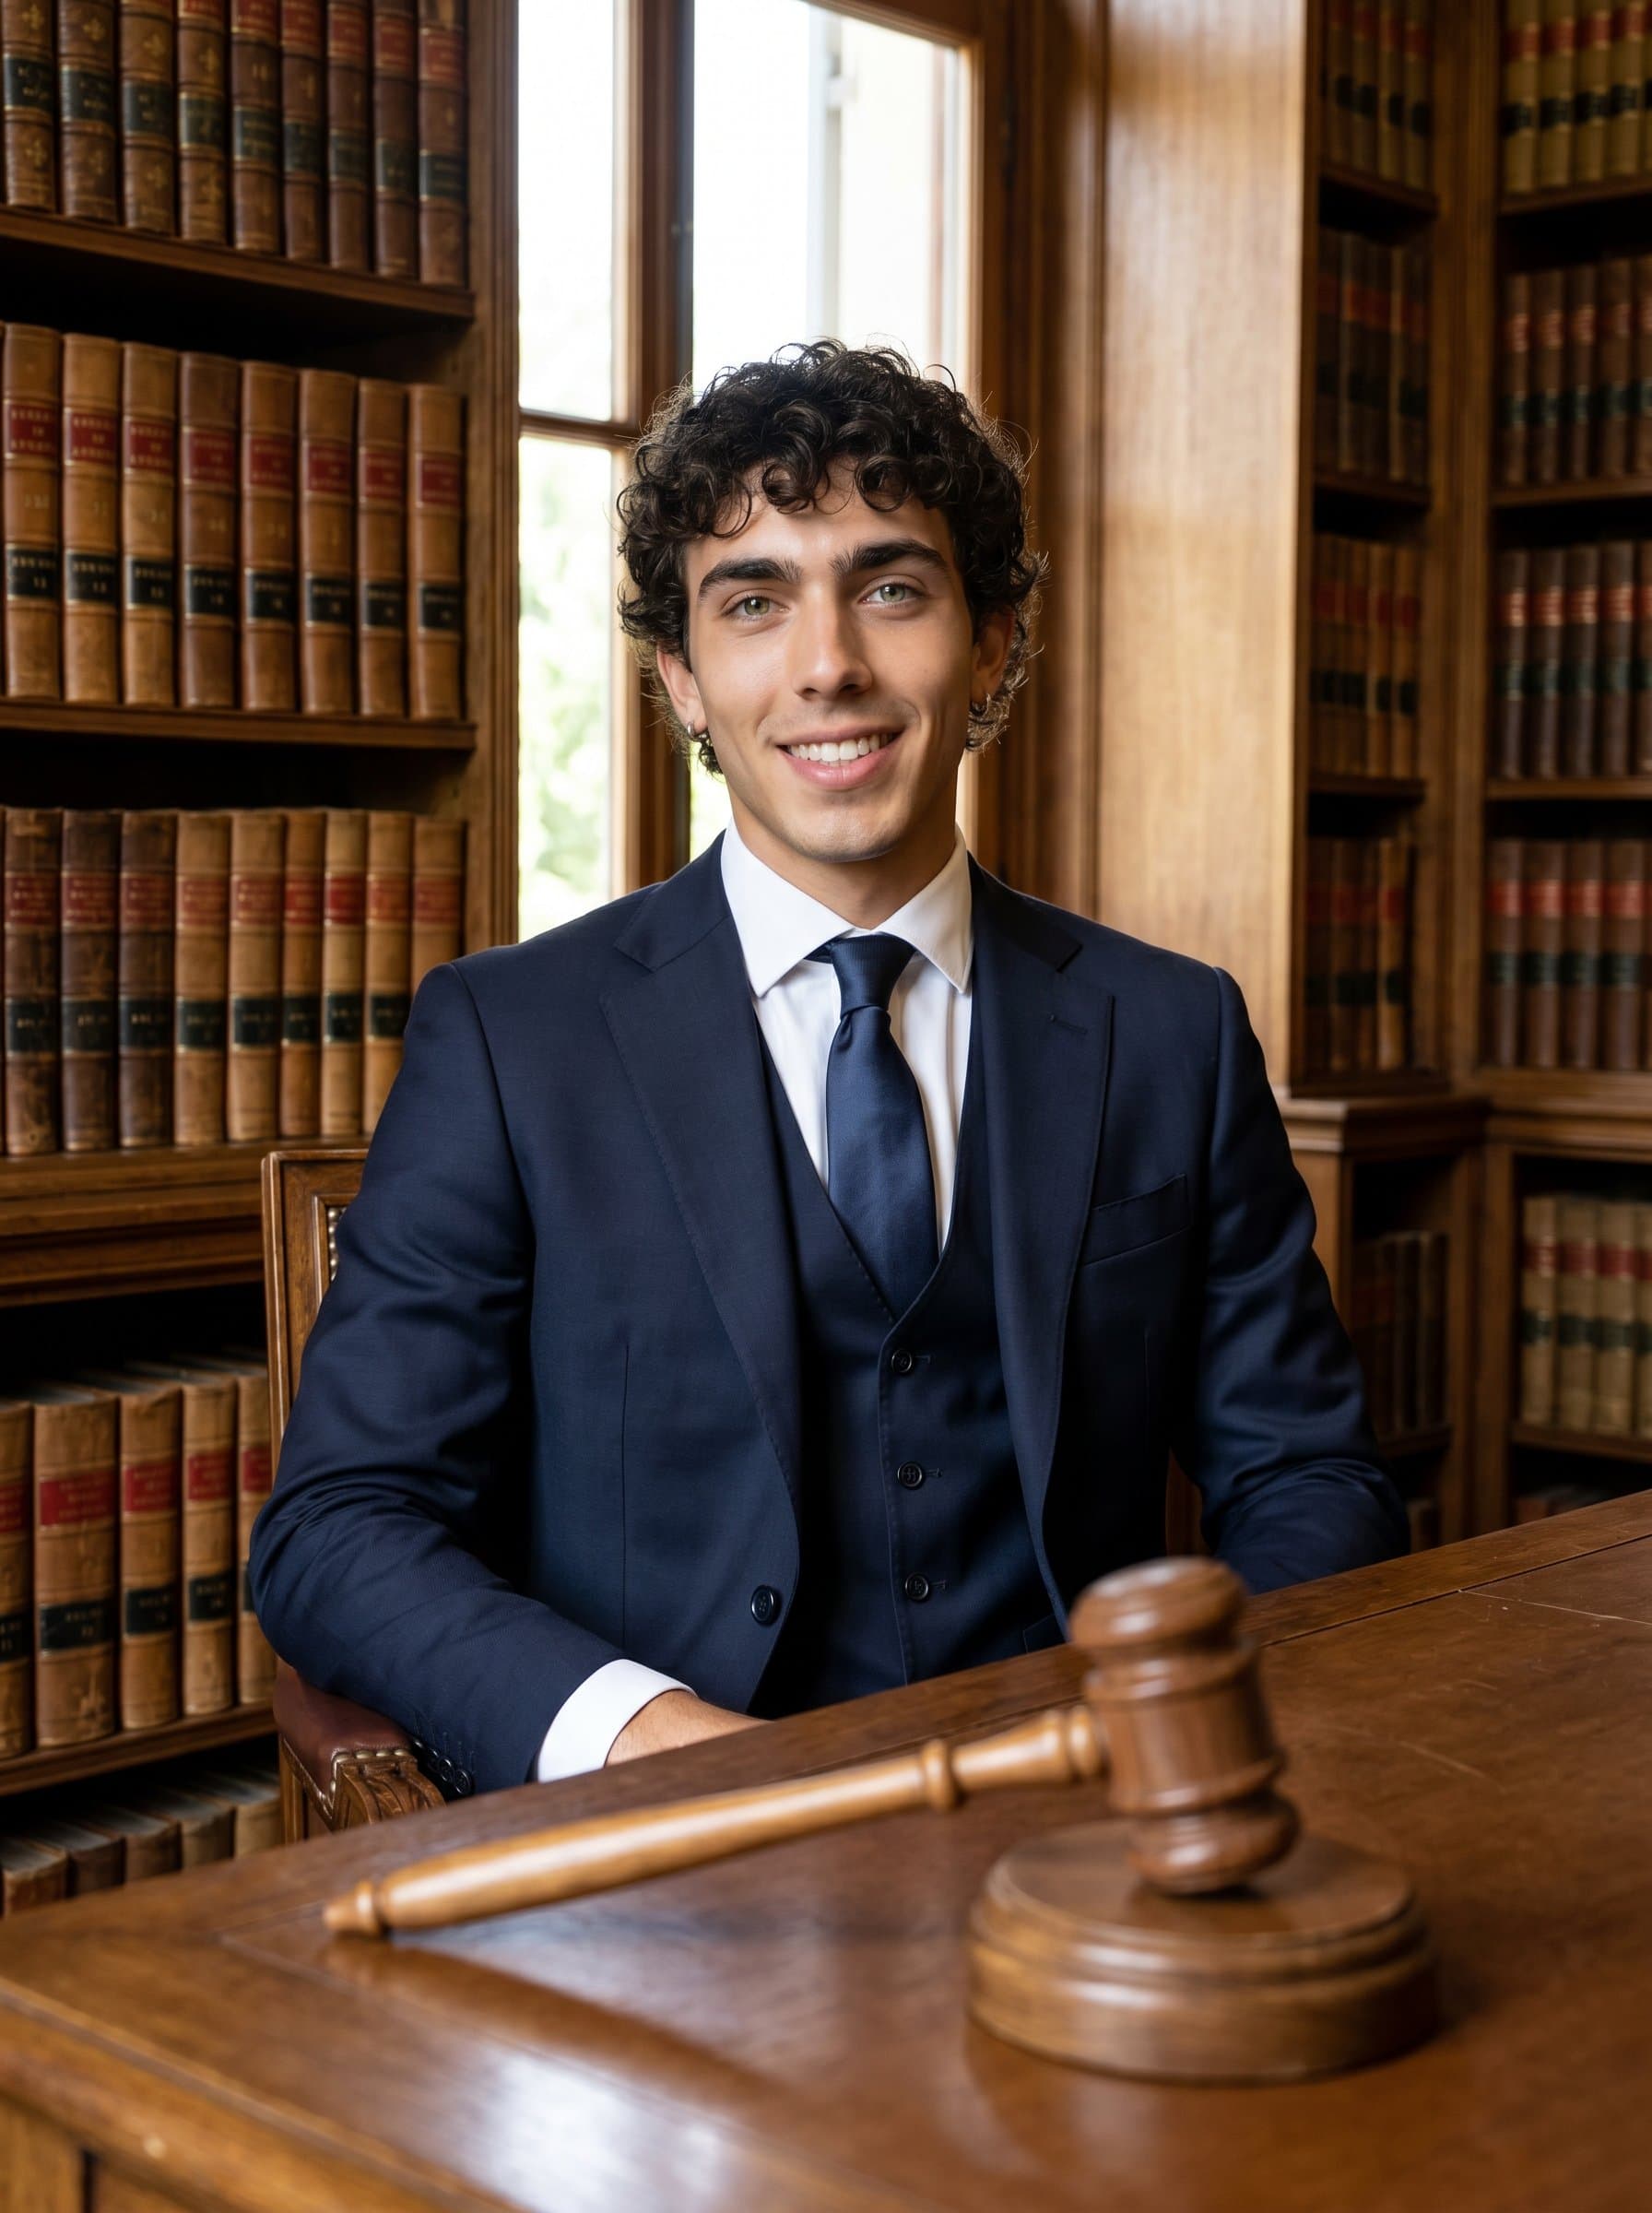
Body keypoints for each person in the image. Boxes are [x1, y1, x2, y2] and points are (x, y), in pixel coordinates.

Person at [249, 341, 1405, 1799]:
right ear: (681, 679)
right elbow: (338, 1526)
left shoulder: (1168, 1030)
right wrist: (656, 1745)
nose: (827, 665)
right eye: (752, 603)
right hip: (673, 1853)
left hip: (1081, 1828)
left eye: (891, 587)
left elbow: (1313, 1478)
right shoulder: (508, 1041)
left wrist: (1170, 1724)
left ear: (992, 647)